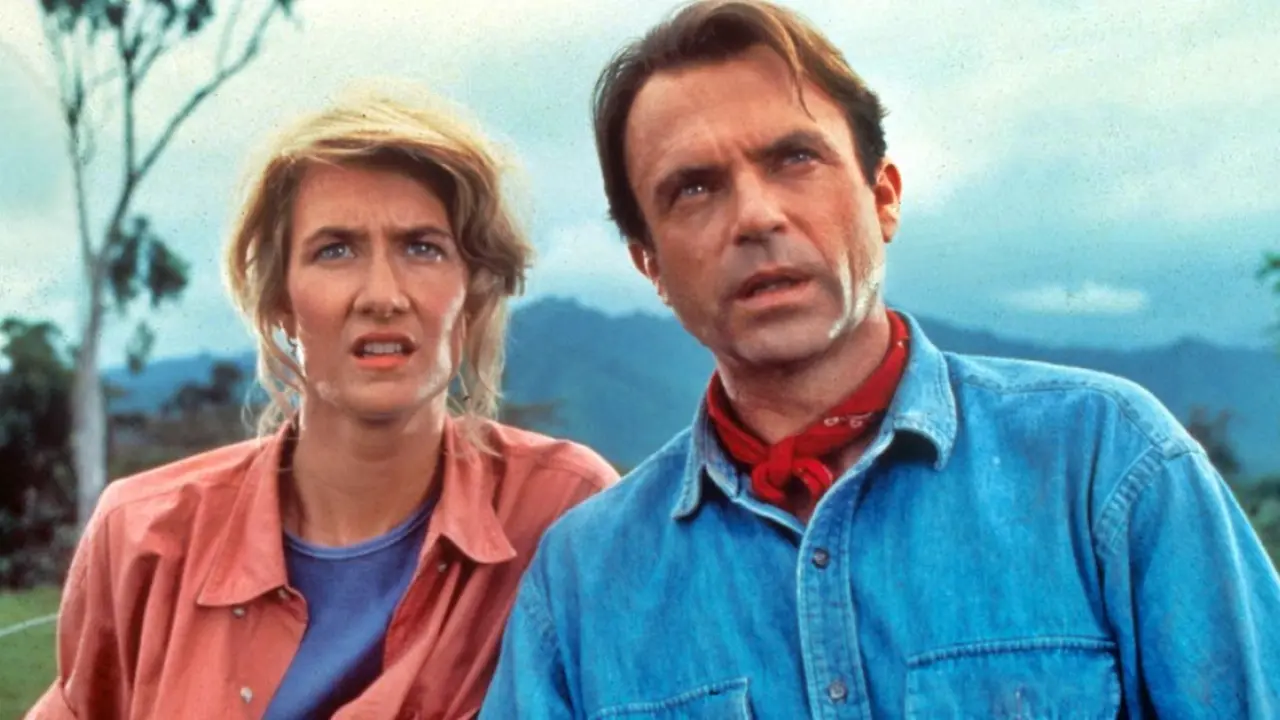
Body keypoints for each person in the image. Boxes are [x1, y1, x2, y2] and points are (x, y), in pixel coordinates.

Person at [480, 1, 1280, 717]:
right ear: (649, 263)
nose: (756, 216)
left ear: (884, 196)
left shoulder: (1104, 462)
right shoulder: (584, 582)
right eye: (693, 188)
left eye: (795, 158)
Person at [28, 86, 617, 720]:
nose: (383, 295)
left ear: (471, 292)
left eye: (423, 247)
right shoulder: (143, 535)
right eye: (335, 250)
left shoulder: (563, 510)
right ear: (280, 299)